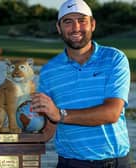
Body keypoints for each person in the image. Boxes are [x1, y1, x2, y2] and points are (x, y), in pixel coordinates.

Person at [31, 0, 131, 167]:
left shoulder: (114, 58)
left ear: (92, 24)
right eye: (68, 22)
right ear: (59, 28)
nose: (75, 27)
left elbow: (111, 113)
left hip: (113, 163)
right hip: (69, 164)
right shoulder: (49, 71)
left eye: (81, 20)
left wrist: (60, 114)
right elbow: (49, 128)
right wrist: (11, 134)